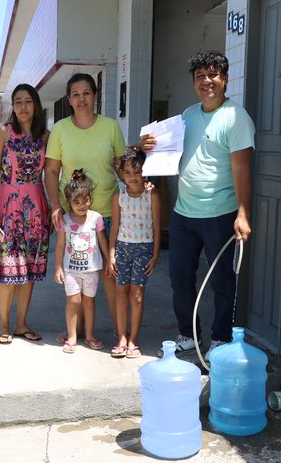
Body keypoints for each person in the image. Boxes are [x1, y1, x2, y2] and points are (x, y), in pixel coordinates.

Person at [140, 50, 254, 359]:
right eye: (200, 76)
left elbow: (242, 168)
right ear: (194, 83)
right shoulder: (187, 116)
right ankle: (188, 335)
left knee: (221, 280)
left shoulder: (235, 117)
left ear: (225, 79)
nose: (207, 81)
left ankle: (220, 337)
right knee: (179, 278)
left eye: (213, 75)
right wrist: (146, 149)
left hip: (220, 214)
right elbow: (164, 153)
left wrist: (243, 213)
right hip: (183, 214)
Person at [44, 73, 126, 343]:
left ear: (95, 96)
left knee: (109, 274)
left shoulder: (111, 127)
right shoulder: (60, 130)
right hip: (74, 217)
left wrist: (141, 183)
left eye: (87, 93)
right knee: (76, 276)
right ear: (69, 99)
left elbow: (121, 167)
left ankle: (120, 333)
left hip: (106, 214)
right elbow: (52, 170)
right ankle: (76, 332)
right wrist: (56, 206)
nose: (82, 99)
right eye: (76, 94)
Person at [0, 83, 50, 344]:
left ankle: (22, 323)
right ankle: (3, 324)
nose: (23, 106)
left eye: (28, 101)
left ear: (36, 105)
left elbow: (54, 172)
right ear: (13, 107)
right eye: (18, 102)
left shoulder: (45, 136)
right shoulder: (3, 133)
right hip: (7, 206)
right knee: (8, 268)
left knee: (29, 270)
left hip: (36, 207)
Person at [107, 146, 161, 359]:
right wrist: (111, 253)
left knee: (136, 296)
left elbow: (157, 227)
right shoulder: (119, 195)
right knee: (121, 294)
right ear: (122, 173)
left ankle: (133, 339)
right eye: (127, 173)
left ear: (145, 171)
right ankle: (121, 337)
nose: (133, 177)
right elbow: (114, 226)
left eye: (137, 172)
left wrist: (155, 255)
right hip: (122, 248)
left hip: (143, 249)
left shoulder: (152, 195)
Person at [54, 170, 108, 354]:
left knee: (89, 302)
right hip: (71, 271)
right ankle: (72, 336)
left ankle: (90, 335)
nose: (82, 205)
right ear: (68, 202)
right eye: (76, 202)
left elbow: (102, 241)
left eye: (85, 200)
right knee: (73, 301)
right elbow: (60, 244)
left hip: (92, 270)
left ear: (90, 198)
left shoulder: (96, 218)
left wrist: (109, 260)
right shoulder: (65, 220)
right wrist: (58, 267)